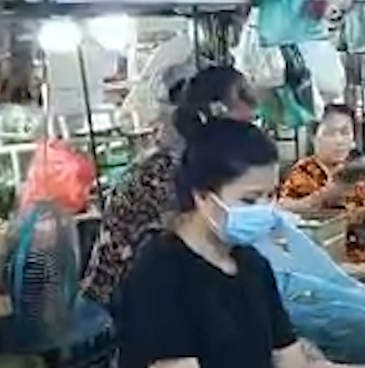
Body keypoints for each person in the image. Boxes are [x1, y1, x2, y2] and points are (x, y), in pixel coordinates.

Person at [112, 114, 365, 368]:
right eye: (249, 199)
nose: (264, 209)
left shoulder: (252, 265)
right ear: (202, 196)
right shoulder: (160, 274)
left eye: (269, 196)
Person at [82, 66, 254, 306]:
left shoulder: (200, 161)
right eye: (244, 98)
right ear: (213, 114)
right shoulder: (167, 171)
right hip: (124, 307)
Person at [279, 104, 365, 260]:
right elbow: (285, 208)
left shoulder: (357, 173)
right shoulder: (304, 172)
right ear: (314, 137)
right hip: (329, 261)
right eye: (330, 133)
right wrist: (327, 194)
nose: (339, 140)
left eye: (345, 133)